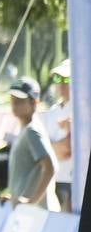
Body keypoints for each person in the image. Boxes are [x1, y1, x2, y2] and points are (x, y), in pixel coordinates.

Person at [7, 76, 57, 209]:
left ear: (34, 102)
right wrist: (14, 196)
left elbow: (50, 167)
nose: (14, 103)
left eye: (20, 100)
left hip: (36, 213)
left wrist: (31, 202)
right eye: (13, 98)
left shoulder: (32, 131)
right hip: (30, 212)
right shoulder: (26, 129)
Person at [44, 60, 73, 211]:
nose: (61, 84)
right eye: (57, 79)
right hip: (51, 181)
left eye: (66, 79)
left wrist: (47, 149)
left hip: (72, 183)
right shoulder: (50, 113)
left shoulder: (81, 110)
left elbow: (65, 150)